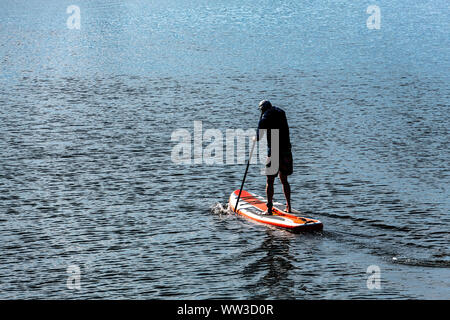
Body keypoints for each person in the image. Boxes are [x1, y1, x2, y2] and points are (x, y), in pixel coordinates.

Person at [256, 100, 293, 215]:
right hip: (286, 150)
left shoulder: (265, 116)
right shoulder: (281, 112)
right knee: (284, 179)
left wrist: (255, 137)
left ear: (262, 109)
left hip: (274, 151)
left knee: (270, 181)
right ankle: (289, 206)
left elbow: (258, 136)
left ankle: (269, 209)